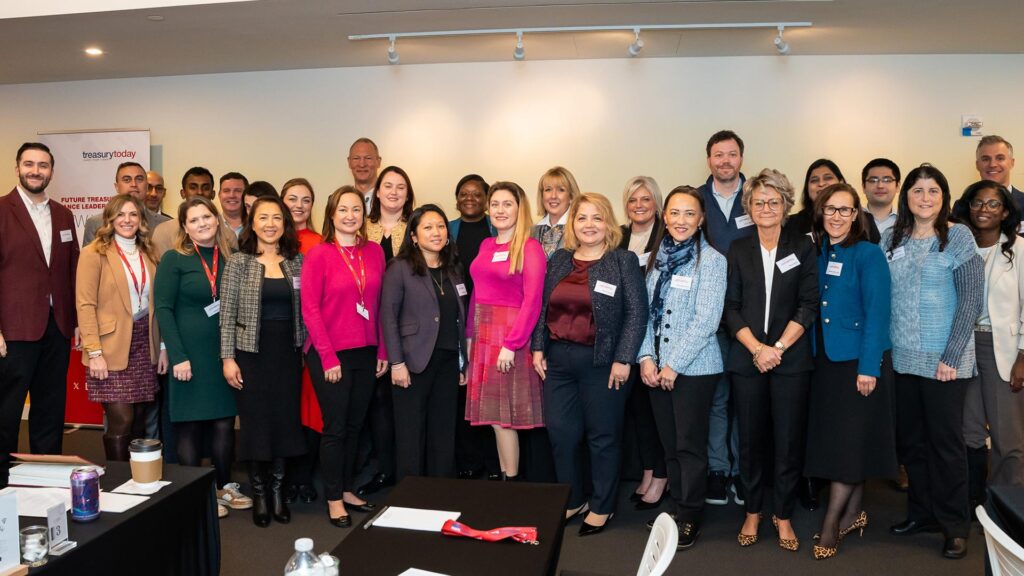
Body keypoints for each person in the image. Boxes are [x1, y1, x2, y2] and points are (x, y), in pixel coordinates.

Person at [531, 193, 647, 536]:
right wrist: (538, 347)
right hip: (558, 360)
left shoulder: (622, 260)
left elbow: (637, 313)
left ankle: (602, 505)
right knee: (561, 433)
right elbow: (543, 307)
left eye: (597, 217)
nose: (589, 225)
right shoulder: (560, 259)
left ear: (608, 222)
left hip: (604, 362)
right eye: (582, 218)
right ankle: (574, 498)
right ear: (573, 223)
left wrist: (624, 358)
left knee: (603, 436)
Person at [884, 164, 982, 560]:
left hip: (945, 362)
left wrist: (951, 355)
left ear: (944, 197)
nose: (925, 198)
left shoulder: (957, 236)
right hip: (902, 359)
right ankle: (922, 514)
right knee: (912, 444)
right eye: (917, 190)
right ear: (906, 196)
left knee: (946, 445)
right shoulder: (891, 238)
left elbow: (971, 299)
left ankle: (954, 525)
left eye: (933, 191)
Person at [724, 168, 818, 552]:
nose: (766, 208)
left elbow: (808, 303)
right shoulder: (737, 249)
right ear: (749, 207)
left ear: (785, 205)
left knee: (788, 442)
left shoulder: (802, 247)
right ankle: (752, 511)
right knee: (749, 441)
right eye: (759, 202)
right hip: (748, 360)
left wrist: (776, 348)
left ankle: (783, 514)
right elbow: (730, 308)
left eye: (773, 201)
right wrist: (757, 350)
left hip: (790, 361)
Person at [803, 183, 896, 560]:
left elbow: (878, 313)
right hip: (826, 361)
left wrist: (869, 367)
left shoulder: (868, 254)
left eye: (845, 210)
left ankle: (831, 526)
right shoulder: (817, 252)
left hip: (859, 363)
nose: (837, 216)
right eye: (831, 209)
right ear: (820, 213)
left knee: (848, 445)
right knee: (848, 444)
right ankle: (854, 514)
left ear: (856, 215)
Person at [636, 185, 727, 549]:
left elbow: (707, 320)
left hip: (695, 369)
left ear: (701, 219)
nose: (681, 220)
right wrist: (646, 357)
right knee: (670, 444)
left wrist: (672, 365)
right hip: (656, 367)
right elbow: (643, 313)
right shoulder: (655, 257)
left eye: (690, 213)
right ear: (665, 216)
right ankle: (677, 506)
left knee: (689, 446)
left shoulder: (712, 261)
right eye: (674, 212)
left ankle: (690, 515)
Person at [154, 196, 249, 519]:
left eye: (206, 217)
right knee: (189, 426)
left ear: (216, 218)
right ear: (184, 226)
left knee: (224, 423)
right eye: (193, 220)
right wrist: (177, 355)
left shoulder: (232, 257)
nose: (202, 224)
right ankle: (196, 492)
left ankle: (224, 486)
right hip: (188, 356)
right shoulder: (174, 259)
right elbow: (163, 309)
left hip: (223, 354)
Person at [301, 186, 387, 528]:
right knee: (336, 427)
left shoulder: (375, 252)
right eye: (343, 210)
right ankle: (334, 498)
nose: (350, 216)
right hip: (330, 352)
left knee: (355, 425)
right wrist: (327, 357)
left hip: (366, 350)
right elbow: (310, 309)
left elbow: (380, 305)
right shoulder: (319, 254)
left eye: (356, 210)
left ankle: (348, 488)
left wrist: (383, 350)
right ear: (331, 215)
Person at [220, 196, 305, 527]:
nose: (270, 224)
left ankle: (277, 492)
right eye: (263, 217)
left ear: (285, 224)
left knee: (284, 421)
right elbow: (226, 315)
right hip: (250, 355)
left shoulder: (297, 262)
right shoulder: (239, 262)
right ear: (252, 223)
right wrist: (228, 358)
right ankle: (259, 493)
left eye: (277, 218)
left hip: (288, 354)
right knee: (256, 423)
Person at [0, 143, 79, 486]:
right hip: (13, 331)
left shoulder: (63, 214)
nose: (36, 170)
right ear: (17, 168)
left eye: (43, 165)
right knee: (6, 413)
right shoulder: (2, 210)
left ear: (51, 171)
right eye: (29, 164)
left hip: (56, 328)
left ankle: (46, 483)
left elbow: (71, 269)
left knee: (50, 411)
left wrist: (75, 322)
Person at [466, 181, 546, 481]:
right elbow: (477, 293)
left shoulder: (530, 247)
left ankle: (511, 483)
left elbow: (533, 301)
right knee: (494, 418)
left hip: (510, 338)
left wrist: (512, 344)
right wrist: (469, 338)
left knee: (504, 418)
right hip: (483, 335)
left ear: (519, 208)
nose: (500, 210)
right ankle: (505, 478)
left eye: (507, 204)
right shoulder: (486, 245)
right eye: (495, 204)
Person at [381, 205, 467, 480]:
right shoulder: (399, 268)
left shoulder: (454, 269)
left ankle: (440, 492)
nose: (436, 232)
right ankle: (410, 494)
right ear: (414, 236)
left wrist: (463, 362)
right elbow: (388, 317)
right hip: (412, 361)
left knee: (443, 432)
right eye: (428, 227)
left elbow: (459, 318)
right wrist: (396, 362)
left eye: (441, 226)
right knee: (411, 433)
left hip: (447, 361)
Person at [952, 181, 1024, 513]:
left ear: (1005, 212)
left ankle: (1006, 509)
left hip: (1004, 349)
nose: (984, 209)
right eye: (977, 203)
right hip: (963, 346)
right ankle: (973, 503)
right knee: (968, 430)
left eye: (993, 204)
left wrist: (1022, 355)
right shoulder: (958, 246)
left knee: (1008, 438)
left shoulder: (1019, 248)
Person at [76, 194, 165, 461]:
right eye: (120, 215)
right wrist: (94, 352)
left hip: (144, 342)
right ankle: (116, 477)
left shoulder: (150, 252)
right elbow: (85, 304)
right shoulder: (93, 253)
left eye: (133, 214)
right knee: (121, 418)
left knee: (139, 418)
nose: (127, 220)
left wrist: (162, 346)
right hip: (109, 347)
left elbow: (158, 304)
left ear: (141, 219)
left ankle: (136, 477)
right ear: (110, 219)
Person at [697, 130, 750, 507]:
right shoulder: (695, 200)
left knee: (746, 400)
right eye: (719, 155)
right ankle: (717, 470)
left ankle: (744, 471)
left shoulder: (758, 197)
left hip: (750, 318)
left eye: (732, 154)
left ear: (741, 158)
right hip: (710, 318)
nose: (725, 161)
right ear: (709, 160)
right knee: (717, 398)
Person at [359, 165, 415, 495]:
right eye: (388, 186)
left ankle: (406, 471)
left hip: (406, 326)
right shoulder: (360, 227)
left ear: (408, 195)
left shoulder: (415, 229)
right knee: (376, 402)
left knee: (403, 402)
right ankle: (383, 468)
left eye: (400, 187)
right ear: (377, 192)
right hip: (366, 325)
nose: (393, 192)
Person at [618, 176, 668, 508]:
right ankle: (649, 469)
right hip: (625, 332)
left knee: (655, 410)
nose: (639, 205)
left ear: (656, 203)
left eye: (646, 199)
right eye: (633, 199)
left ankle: (662, 473)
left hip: (655, 332)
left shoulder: (666, 234)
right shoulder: (618, 237)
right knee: (637, 408)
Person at [448, 174, 497, 480]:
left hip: (490, 316)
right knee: (461, 387)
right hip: (455, 314)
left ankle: (493, 461)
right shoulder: (448, 229)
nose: (470, 198)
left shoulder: (497, 229)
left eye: (477, 194)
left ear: (487, 199)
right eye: (464, 193)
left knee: (488, 388)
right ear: (456, 199)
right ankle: (467, 459)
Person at [281, 177, 322, 503]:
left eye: (305, 200)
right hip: (278, 337)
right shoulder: (270, 240)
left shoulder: (320, 243)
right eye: (292, 199)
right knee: (284, 409)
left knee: (311, 409)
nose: (299, 205)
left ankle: (304, 478)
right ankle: (282, 478)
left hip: (312, 339)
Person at [785, 159, 880, 247]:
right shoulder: (791, 223)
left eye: (828, 178)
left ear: (841, 182)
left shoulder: (865, 219)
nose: (821, 184)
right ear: (807, 188)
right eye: (814, 180)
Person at [151, 167, 216, 256]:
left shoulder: (227, 234)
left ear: (213, 194)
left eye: (205, 188)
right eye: (193, 187)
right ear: (183, 193)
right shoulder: (163, 231)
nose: (200, 192)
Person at [82, 162, 152, 244]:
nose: (134, 184)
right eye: (127, 180)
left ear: (147, 186)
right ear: (117, 187)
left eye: (139, 179)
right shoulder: (95, 223)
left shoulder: (163, 223)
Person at [531, 167, 581, 258]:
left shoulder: (580, 228)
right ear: (542, 196)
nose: (553, 196)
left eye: (561, 190)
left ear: (571, 196)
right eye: (548, 190)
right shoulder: (531, 231)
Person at [863, 158, 901, 237]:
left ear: (897, 186)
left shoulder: (908, 222)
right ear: (863, 187)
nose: (880, 186)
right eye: (873, 180)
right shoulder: (851, 220)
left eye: (887, 180)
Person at [348, 137, 382, 210]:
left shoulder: (392, 198)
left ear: (378, 162)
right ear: (349, 162)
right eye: (356, 158)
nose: (362, 164)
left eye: (368, 158)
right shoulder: (338, 200)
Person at [218, 172, 248, 237]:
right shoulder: (211, 226)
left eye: (238, 191)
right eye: (226, 191)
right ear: (219, 195)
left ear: (247, 196)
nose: (232, 195)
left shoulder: (256, 226)